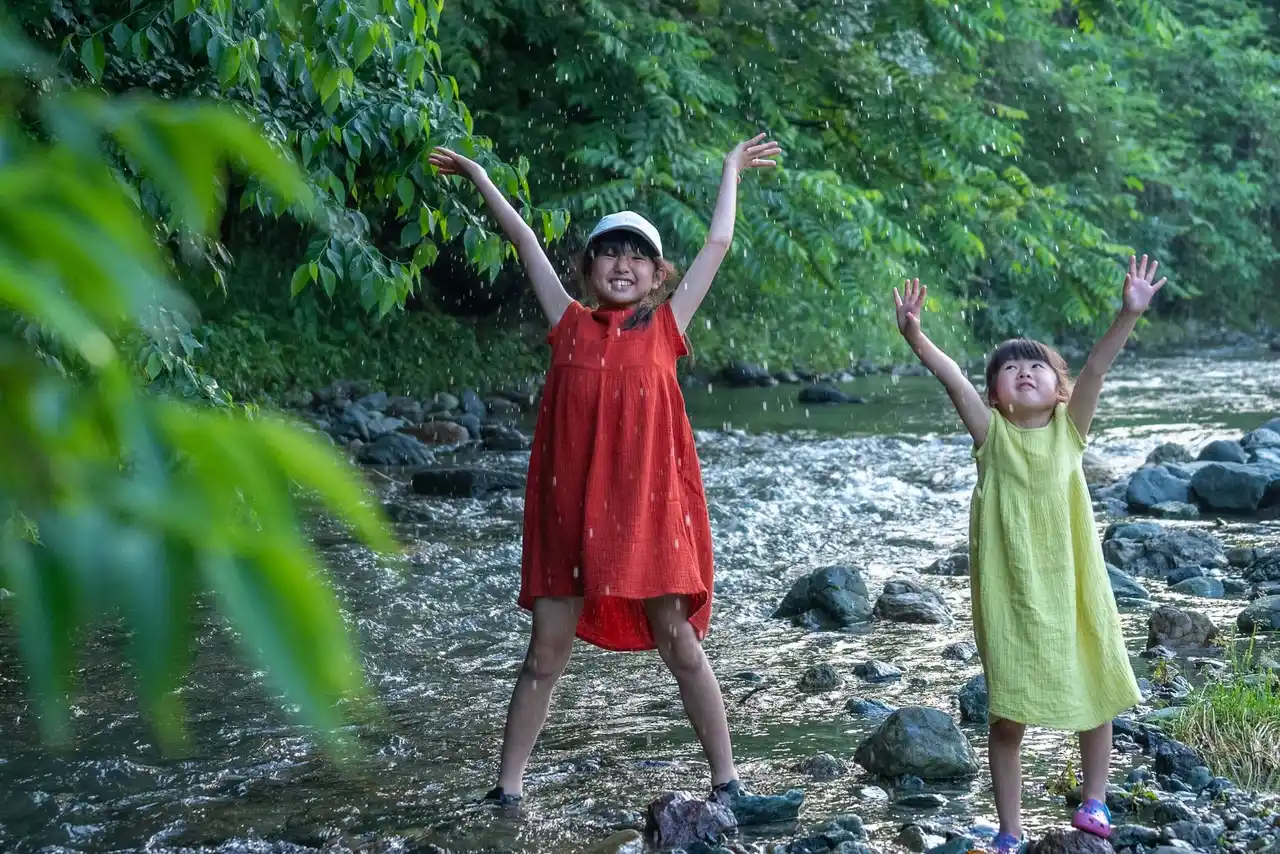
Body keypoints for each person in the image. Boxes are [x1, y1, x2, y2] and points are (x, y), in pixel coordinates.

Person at [429, 134, 784, 808]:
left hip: (648, 515)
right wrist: (478, 176)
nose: (623, 264)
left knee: (678, 641)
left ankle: (728, 781)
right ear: (589, 268)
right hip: (570, 515)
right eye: (610, 253)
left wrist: (729, 167)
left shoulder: (666, 328)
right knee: (543, 655)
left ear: (657, 276)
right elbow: (524, 239)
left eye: (638, 256)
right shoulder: (566, 323)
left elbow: (717, 246)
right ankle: (506, 791)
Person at [892, 256, 1163, 852]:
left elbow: (1095, 367)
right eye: (1009, 368)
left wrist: (1127, 313)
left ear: (1056, 386)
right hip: (1012, 591)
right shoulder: (993, 437)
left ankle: (1095, 800)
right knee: (1007, 712)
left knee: (1098, 688)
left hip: (1072, 585)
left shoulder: (1071, 428)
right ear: (996, 394)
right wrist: (916, 337)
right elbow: (952, 380)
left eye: (1035, 365)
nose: (1022, 372)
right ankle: (1010, 829)